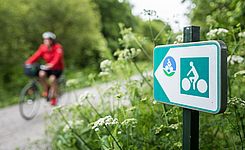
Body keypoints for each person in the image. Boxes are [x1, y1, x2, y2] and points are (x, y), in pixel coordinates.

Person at [25, 32, 64, 106]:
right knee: (41, 74)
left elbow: (57, 58)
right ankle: (46, 90)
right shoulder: (43, 47)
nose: (46, 41)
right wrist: (28, 62)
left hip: (57, 68)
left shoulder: (58, 47)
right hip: (48, 67)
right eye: (45, 40)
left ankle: (54, 97)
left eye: (48, 40)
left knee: (52, 79)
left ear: (52, 41)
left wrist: (51, 64)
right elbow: (36, 55)